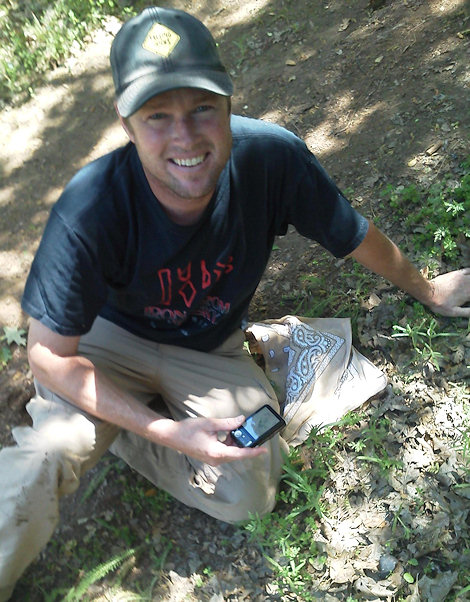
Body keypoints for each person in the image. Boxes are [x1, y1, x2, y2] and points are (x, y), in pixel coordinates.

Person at [1, 6, 469, 599]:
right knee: (47, 455)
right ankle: (117, 422)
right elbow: (48, 358)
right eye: (157, 116)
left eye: (202, 107)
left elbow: (352, 234)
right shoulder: (89, 209)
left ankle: (120, 426)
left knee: (251, 490)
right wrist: (171, 431)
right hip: (103, 343)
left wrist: (427, 289)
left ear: (227, 100)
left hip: (208, 345)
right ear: (126, 122)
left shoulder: (271, 158)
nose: (185, 137)